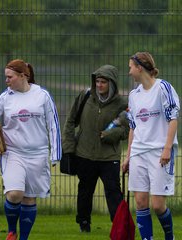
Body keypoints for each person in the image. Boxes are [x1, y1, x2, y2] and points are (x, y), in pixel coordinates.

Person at [0, 59, 62, 240]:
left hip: (38, 154)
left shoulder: (42, 95)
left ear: (23, 76)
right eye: (6, 77)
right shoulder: (5, 97)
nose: (6, 81)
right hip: (13, 153)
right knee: (15, 193)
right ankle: (12, 231)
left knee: (29, 199)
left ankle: (23, 238)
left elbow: (53, 125)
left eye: (10, 77)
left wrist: (55, 154)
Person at [62, 65, 129, 233]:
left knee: (114, 192)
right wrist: (69, 148)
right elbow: (70, 122)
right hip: (84, 154)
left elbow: (127, 130)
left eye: (103, 82)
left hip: (109, 157)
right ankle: (84, 223)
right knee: (85, 191)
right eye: (97, 81)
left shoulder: (122, 104)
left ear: (112, 84)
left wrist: (110, 134)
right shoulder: (85, 97)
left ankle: (119, 226)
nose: (99, 85)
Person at [122, 52, 179, 240]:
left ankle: (169, 237)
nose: (129, 72)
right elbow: (133, 128)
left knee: (157, 205)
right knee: (140, 202)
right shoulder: (133, 95)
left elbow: (173, 119)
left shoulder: (164, 88)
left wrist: (167, 148)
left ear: (140, 67)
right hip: (139, 152)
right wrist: (128, 156)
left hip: (159, 152)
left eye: (131, 67)